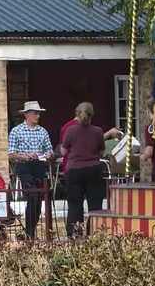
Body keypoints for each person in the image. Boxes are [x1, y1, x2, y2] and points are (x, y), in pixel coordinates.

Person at [60, 102, 124, 237]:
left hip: (75, 170)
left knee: (74, 204)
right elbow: (102, 150)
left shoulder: (70, 130)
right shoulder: (98, 131)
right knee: (95, 204)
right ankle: (94, 232)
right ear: (91, 115)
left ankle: (74, 233)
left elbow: (63, 151)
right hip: (93, 169)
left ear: (77, 113)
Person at [8, 101, 54, 238]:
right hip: (25, 167)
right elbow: (11, 154)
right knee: (32, 197)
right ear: (27, 114)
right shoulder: (17, 131)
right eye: (35, 113)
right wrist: (26, 156)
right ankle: (29, 232)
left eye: (38, 113)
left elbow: (50, 150)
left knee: (39, 199)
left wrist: (49, 155)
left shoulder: (42, 131)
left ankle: (31, 231)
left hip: (39, 166)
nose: (38, 116)